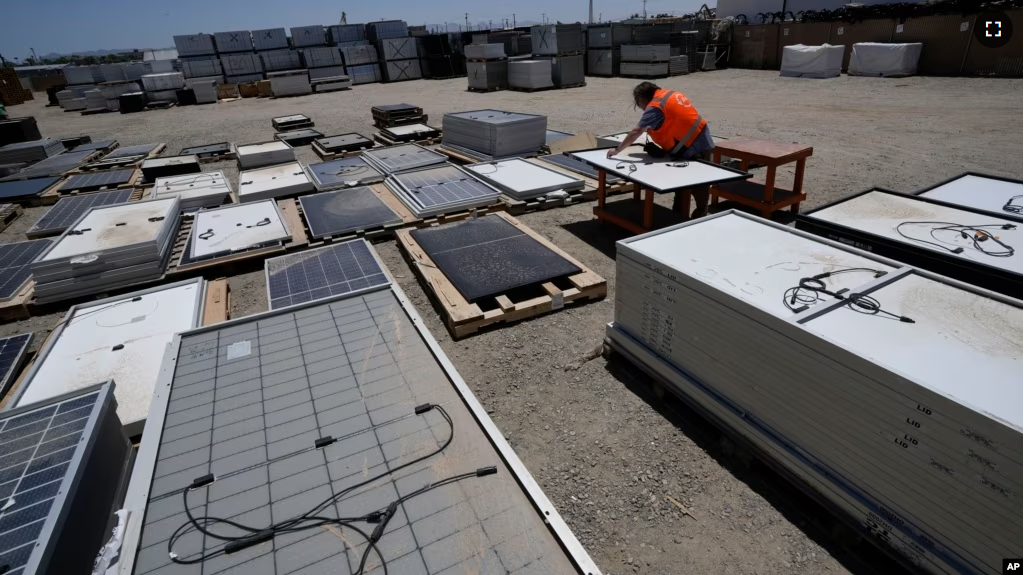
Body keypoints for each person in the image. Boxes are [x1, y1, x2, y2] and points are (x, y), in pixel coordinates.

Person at [606, 81, 716, 219]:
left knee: (696, 188)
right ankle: (681, 219)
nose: (640, 107)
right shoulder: (671, 95)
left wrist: (617, 150)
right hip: (702, 141)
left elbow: (636, 131)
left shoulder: (655, 106)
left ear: (642, 97)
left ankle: (689, 224)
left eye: (638, 102)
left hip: (695, 148)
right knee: (688, 189)